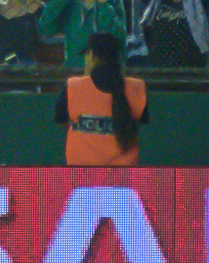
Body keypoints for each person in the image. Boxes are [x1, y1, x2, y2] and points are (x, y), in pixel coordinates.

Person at [54, 31, 149, 166]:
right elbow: (144, 123)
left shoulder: (73, 86)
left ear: (92, 55)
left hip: (81, 178)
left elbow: (60, 119)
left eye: (87, 55)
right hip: (123, 180)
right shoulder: (136, 87)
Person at [38, 0, 128, 71]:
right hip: (76, 70)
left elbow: (119, 36)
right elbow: (45, 29)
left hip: (107, 71)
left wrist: (103, 5)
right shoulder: (69, 2)